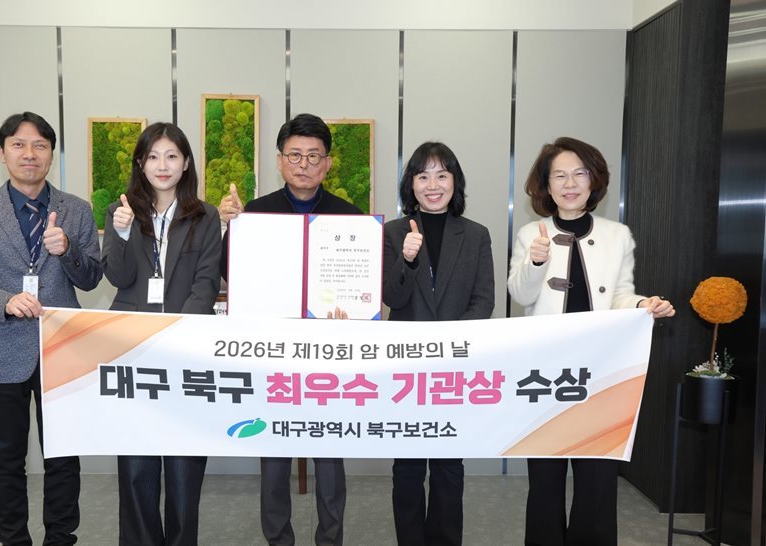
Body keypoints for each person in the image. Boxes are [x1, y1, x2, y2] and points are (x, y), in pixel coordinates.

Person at [508, 136, 675, 545]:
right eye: (559, 176)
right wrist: (536, 261)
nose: (570, 184)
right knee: (545, 482)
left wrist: (643, 304)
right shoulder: (531, 233)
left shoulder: (618, 235)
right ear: (546, 186)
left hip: (602, 373)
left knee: (597, 481)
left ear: (593, 180)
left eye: (579, 174)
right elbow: (520, 295)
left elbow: (620, 294)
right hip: (546, 375)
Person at [0, 111, 103, 545]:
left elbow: (92, 278)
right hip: (1, 350)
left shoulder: (76, 210)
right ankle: (13, 539)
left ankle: (61, 538)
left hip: (63, 349)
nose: (29, 154)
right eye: (18, 144)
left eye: (40, 145)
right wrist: (3, 300)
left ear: (51, 154)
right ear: (3, 154)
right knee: (6, 459)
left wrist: (68, 249)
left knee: (63, 457)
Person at [219, 113, 361, 545]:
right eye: (294, 155)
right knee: (274, 456)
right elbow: (229, 273)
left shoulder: (349, 217)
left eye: (313, 156)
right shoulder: (255, 212)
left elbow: (362, 286)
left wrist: (352, 311)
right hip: (274, 351)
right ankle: (278, 539)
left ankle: (330, 539)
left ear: (328, 163)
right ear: (280, 160)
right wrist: (229, 227)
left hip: (329, 354)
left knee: (329, 455)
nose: (303, 164)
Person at [101, 122, 221, 546]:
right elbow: (118, 277)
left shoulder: (205, 216)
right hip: (133, 352)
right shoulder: (122, 211)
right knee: (136, 468)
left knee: (185, 470)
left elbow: (205, 284)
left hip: (185, 353)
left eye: (172, 156)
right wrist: (120, 233)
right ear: (140, 163)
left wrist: (175, 337)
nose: (162, 165)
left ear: (186, 163)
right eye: (153, 157)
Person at [382, 142, 494, 545]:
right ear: (411, 185)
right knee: (408, 468)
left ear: (454, 182)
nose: (433, 185)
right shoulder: (393, 232)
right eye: (423, 176)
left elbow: (483, 301)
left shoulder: (476, 235)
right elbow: (392, 299)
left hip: (454, 368)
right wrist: (408, 260)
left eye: (442, 175)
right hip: (405, 369)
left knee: (449, 466)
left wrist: (448, 346)